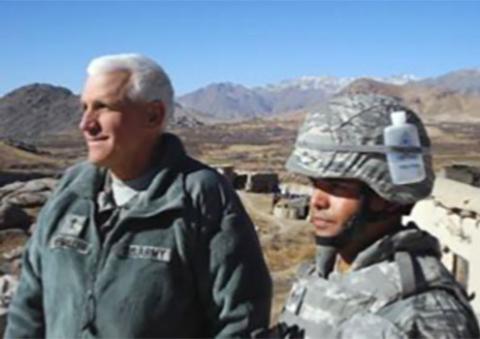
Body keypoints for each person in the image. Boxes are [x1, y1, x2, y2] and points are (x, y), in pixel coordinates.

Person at [5, 54, 272, 338]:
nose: (86, 124)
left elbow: (241, 320)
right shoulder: (70, 189)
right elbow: (28, 304)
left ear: (153, 115)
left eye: (102, 107)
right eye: (84, 108)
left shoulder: (202, 196)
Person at [272, 94, 479, 338]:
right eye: (315, 184)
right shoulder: (326, 272)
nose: (317, 200)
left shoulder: (424, 315)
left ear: (387, 197)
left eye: (337, 187)